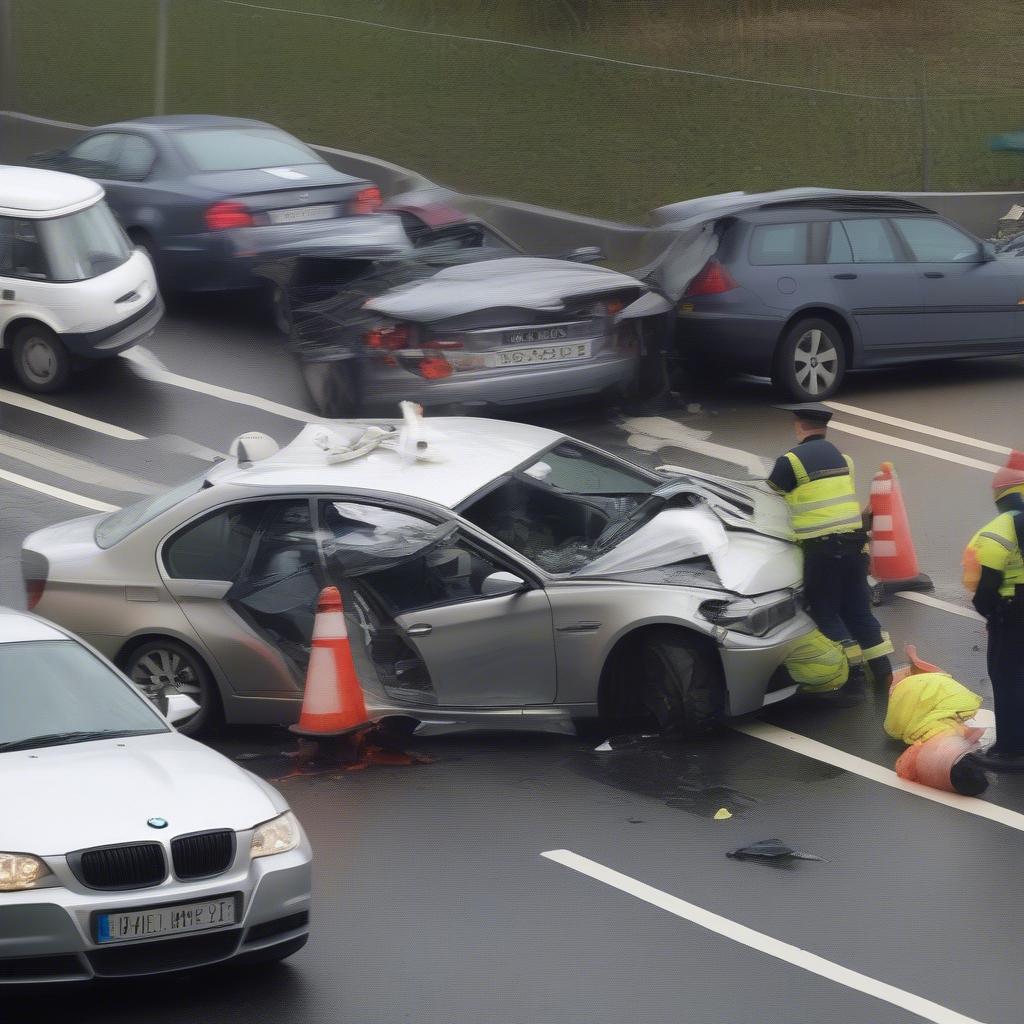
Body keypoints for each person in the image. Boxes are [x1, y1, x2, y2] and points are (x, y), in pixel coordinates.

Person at [768, 403, 894, 704]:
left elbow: (772, 497)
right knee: (859, 611)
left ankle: (854, 680)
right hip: (854, 547)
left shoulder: (789, 462)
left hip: (822, 551)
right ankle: (885, 674)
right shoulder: (844, 460)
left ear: (799, 426)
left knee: (825, 611)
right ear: (825, 428)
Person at [962, 450, 1024, 771]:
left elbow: (987, 584)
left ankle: (1013, 749)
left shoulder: (1000, 527)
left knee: (1007, 676)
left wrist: (990, 613)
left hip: (1013, 610)